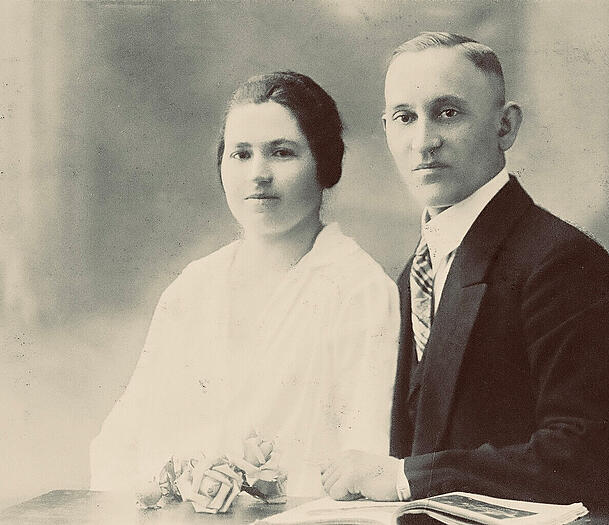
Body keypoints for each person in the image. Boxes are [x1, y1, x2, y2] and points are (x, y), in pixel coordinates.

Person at [321, 32, 609, 508]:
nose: (423, 142)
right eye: (405, 118)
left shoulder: (563, 264)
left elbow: (582, 458)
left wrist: (410, 477)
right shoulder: (421, 264)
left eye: (448, 113)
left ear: (505, 126)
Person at [90, 72, 399, 497]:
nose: (258, 174)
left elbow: (363, 454)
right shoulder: (193, 288)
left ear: (325, 165)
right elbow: (123, 441)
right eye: (240, 154)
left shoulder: (360, 290)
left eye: (282, 152)